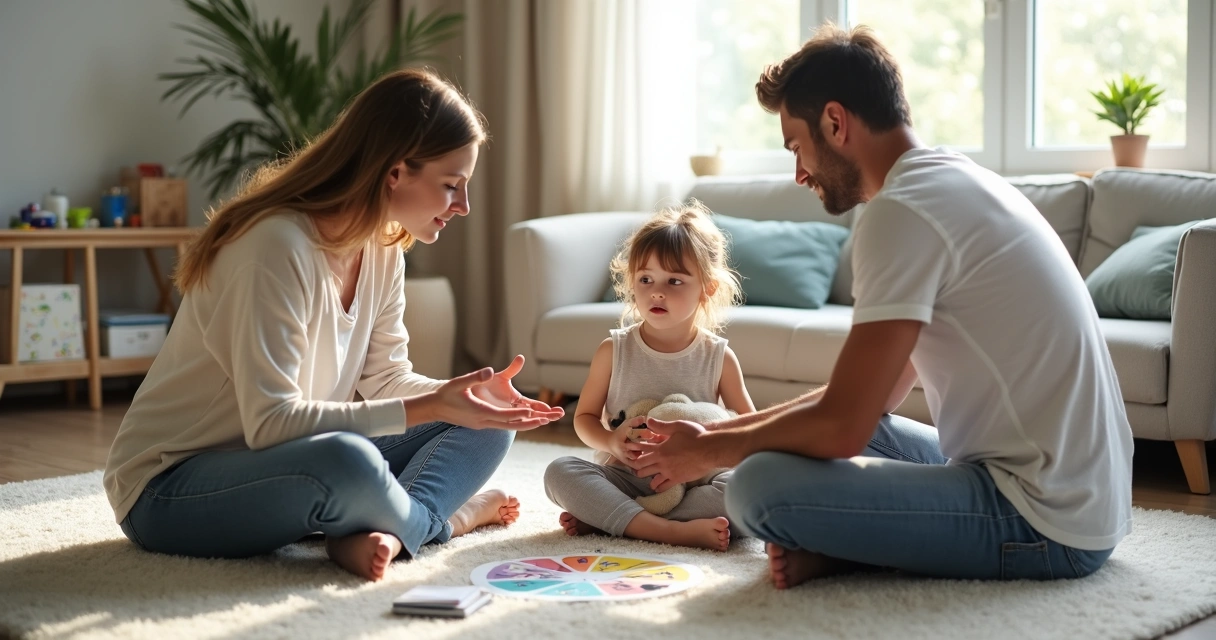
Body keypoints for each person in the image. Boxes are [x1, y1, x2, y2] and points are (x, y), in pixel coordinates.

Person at [631, 24, 1133, 586]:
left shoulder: (901, 212)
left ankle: (850, 544)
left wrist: (713, 451)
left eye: (797, 147)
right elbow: (869, 405)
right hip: (1079, 494)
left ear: (835, 123)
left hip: (1044, 518)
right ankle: (849, 545)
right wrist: (728, 435)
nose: (799, 174)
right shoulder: (956, 180)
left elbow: (842, 427)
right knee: (819, 435)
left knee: (755, 488)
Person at [102, 69, 564, 581]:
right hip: (169, 488)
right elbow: (270, 424)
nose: (464, 206)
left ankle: (378, 525)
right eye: (451, 185)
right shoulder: (274, 248)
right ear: (395, 172)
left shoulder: (384, 247)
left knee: (487, 422)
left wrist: (456, 396)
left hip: (288, 461)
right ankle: (444, 521)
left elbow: (386, 378)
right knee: (347, 462)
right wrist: (431, 406)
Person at [543, 201, 755, 551]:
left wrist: (706, 456)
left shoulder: (719, 358)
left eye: (675, 280)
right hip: (627, 476)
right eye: (646, 279)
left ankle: (615, 519)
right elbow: (583, 418)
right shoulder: (614, 351)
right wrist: (611, 442)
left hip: (694, 482)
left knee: (747, 488)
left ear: (707, 288)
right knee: (559, 472)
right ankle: (668, 530)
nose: (657, 291)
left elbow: (749, 432)